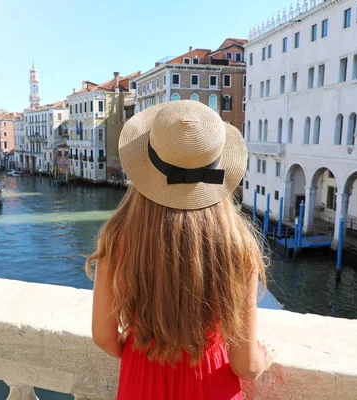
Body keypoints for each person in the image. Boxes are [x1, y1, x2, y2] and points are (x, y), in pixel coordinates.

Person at [86, 101, 276, 400]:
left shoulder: (116, 239)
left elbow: (104, 338)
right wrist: (262, 360)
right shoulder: (239, 249)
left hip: (141, 382)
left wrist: (142, 348)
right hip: (210, 386)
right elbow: (245, 365)